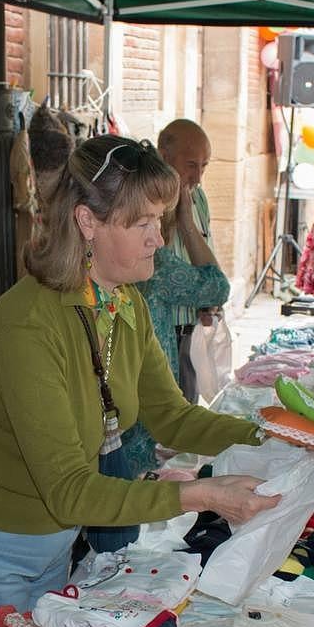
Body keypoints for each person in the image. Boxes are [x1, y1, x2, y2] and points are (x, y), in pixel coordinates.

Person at [0, 135, 280, 627]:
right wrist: (202, 495)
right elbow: (69, 490)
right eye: (141, 223)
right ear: (87, 222)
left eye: (160, 220)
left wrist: (272, 433)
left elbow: (171, 417)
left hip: (51, 543)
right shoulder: (29, 327)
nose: (158, 239)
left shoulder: (122, 303)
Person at [122, 118, 231, 475]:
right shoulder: (150, 267)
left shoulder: (194, 199)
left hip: (178, 330)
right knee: (153, 434)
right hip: (143, 378)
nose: (197, 176)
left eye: (204, 165)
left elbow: (210, 282)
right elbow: (215, 283)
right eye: (146, 224)